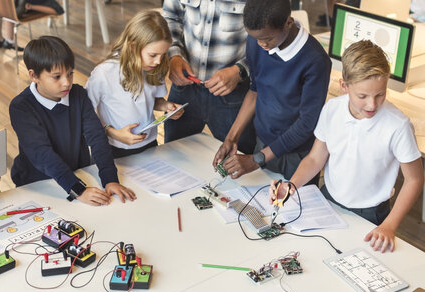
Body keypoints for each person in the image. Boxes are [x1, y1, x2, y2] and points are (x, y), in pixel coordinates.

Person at [269, 40, 424, 253]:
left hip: (371, 213)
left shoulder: (397, 125)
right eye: (362, 96)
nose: (372, 104)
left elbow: (415, 179)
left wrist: (389, 225)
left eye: (380, 94)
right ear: (344, 86)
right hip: (328, 199)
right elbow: (315, 158)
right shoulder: (332, 109)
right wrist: (292, 185)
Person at [9, 36, 136, 206]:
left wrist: (110, 179)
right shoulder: (21, 107)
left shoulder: (78, 95)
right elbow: (42, 154)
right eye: (57, 76)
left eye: (70, 74)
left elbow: (97, 137)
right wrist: (78, 189)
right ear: (33, 75)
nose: (66, 83)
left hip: (77, 173)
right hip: (36, 183)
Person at [213, 0, 331, 182]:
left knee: (292, 205)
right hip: (262, 143)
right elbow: (255, 90)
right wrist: (231, 138)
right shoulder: (257, 39)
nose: (262, 44)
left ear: (288, 23)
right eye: (256, 38)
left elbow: (307, 123)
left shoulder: (315, 61)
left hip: (297, 156)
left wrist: (258, 159)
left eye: (268, 39)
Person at [161, 0, 255, 154]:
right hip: (185, 87)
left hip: (233, 94)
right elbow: (171, 17)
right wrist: (173, 56)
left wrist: (240, 70)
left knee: (238, 163)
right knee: (174, 158)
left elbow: (271, 39)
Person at [86, 10, 183, 158]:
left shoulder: (153, 67)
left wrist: (165, 106)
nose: (158, 61)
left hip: (149, 144)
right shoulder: (104, 73)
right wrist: (113, 133)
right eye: (153, 55)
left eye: (163, 55)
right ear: (133, 47)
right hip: (112, 148)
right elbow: (85, 114)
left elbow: (152, 100)